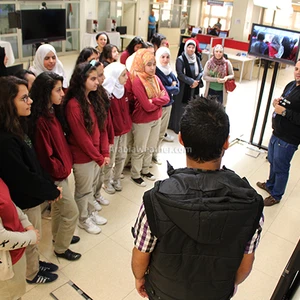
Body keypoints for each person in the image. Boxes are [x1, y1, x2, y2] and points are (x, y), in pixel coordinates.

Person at [131, 97, 264, 300]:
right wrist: (228, 287)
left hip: (164, 292)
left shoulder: (154, 200)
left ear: (181, 139)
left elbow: (141, 255)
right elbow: (245, 265)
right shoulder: (252, 205)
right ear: (226, 142)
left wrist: (140, 279)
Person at [0, 76, 61, 284]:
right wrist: (50, 191)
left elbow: (32, 161)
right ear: (8, 103)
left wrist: (48, 186)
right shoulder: (5, 140)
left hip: (32, 196)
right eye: (24, 98)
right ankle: (32, 273)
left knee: (35, 236)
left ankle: (34, 264)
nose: (31, 101)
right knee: (30, 237)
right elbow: (23, 178)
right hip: (23, 200)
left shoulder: (16, 125)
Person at [29, 72, 81, 261]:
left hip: (60, 171)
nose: (62, 93)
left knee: (59, 209)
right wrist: (59, 170)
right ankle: (61, 247)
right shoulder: (41, 121)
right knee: (71, 211)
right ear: (46, 92)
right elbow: (45, 156)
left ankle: (58, 237)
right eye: (58, 90)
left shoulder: (52, 112)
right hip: (55, 175)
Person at [64, 62, 109, 234]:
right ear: (82, 80)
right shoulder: (74, 105)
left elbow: (103, 128)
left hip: (96, 154)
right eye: (92, 79)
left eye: (97, 78)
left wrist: (104, 152)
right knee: (83, 191)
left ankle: (90, 212)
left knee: (90, 188)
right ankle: (83, 219)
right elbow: (82, 138)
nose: (97, 82)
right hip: (84, 157)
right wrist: (99, 157)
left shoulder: (94, 98)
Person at [257, 59, 300, 206]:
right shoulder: (291, 85)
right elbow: (284, 102)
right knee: (273, 161)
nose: (298, 73)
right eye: (296, 69)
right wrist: (277, 103)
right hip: (277, 132)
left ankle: (276, 195)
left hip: (288, 138)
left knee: (281, 166)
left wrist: (285, 112)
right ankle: (270, 184)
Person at [129, 48, 169, 187]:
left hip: (156, 118)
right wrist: (158, 101)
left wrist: (154, 101)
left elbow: (167, 98)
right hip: (142, 121)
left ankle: (145, 170)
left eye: (154, 64)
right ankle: (135, 174)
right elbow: (146, 106)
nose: (152, 68)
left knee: (150, 147)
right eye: (149, 65)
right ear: (141, 64)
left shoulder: (155, 78)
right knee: (139, 149)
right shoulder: (137, 81)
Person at [0, 178, 39, 299]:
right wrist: (30, 237)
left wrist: (24, 221)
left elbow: (8, 202)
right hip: (6, 263)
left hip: (16, 250)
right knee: (12, 296)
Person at [102, 62, 132, 193]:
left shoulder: (123, 90)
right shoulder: (107, 94)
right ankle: (106, 181)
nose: (127, 77)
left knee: (121, 156)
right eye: (123, 75)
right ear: (115, 76)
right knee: (111, 159)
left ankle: (116, 178)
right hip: (112, 134)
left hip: (123, 130)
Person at [169, 39, 203, 134]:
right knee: (181, 107)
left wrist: (197, 80)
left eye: (193, 47)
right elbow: (180, 74)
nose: (191, 49)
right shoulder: (180, 59)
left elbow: (201, 70)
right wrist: (191, 81)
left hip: (194, 87)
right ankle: (177, 126)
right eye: (189, 47)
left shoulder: (196, 58)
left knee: (191, 106)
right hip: (183, 87)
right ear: (185, 47)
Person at [153, 46, 179, 163]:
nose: (165, 59)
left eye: (167, 57)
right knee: (156, 133)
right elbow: (161, 90)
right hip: (160, 107)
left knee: (162, 132)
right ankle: (151, 154)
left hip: (169, 104)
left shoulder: (169, 70)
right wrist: (172, 87)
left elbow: (176, 88)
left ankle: (155, 153)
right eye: (162, 57)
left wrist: (171, 88)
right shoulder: (156, 71)